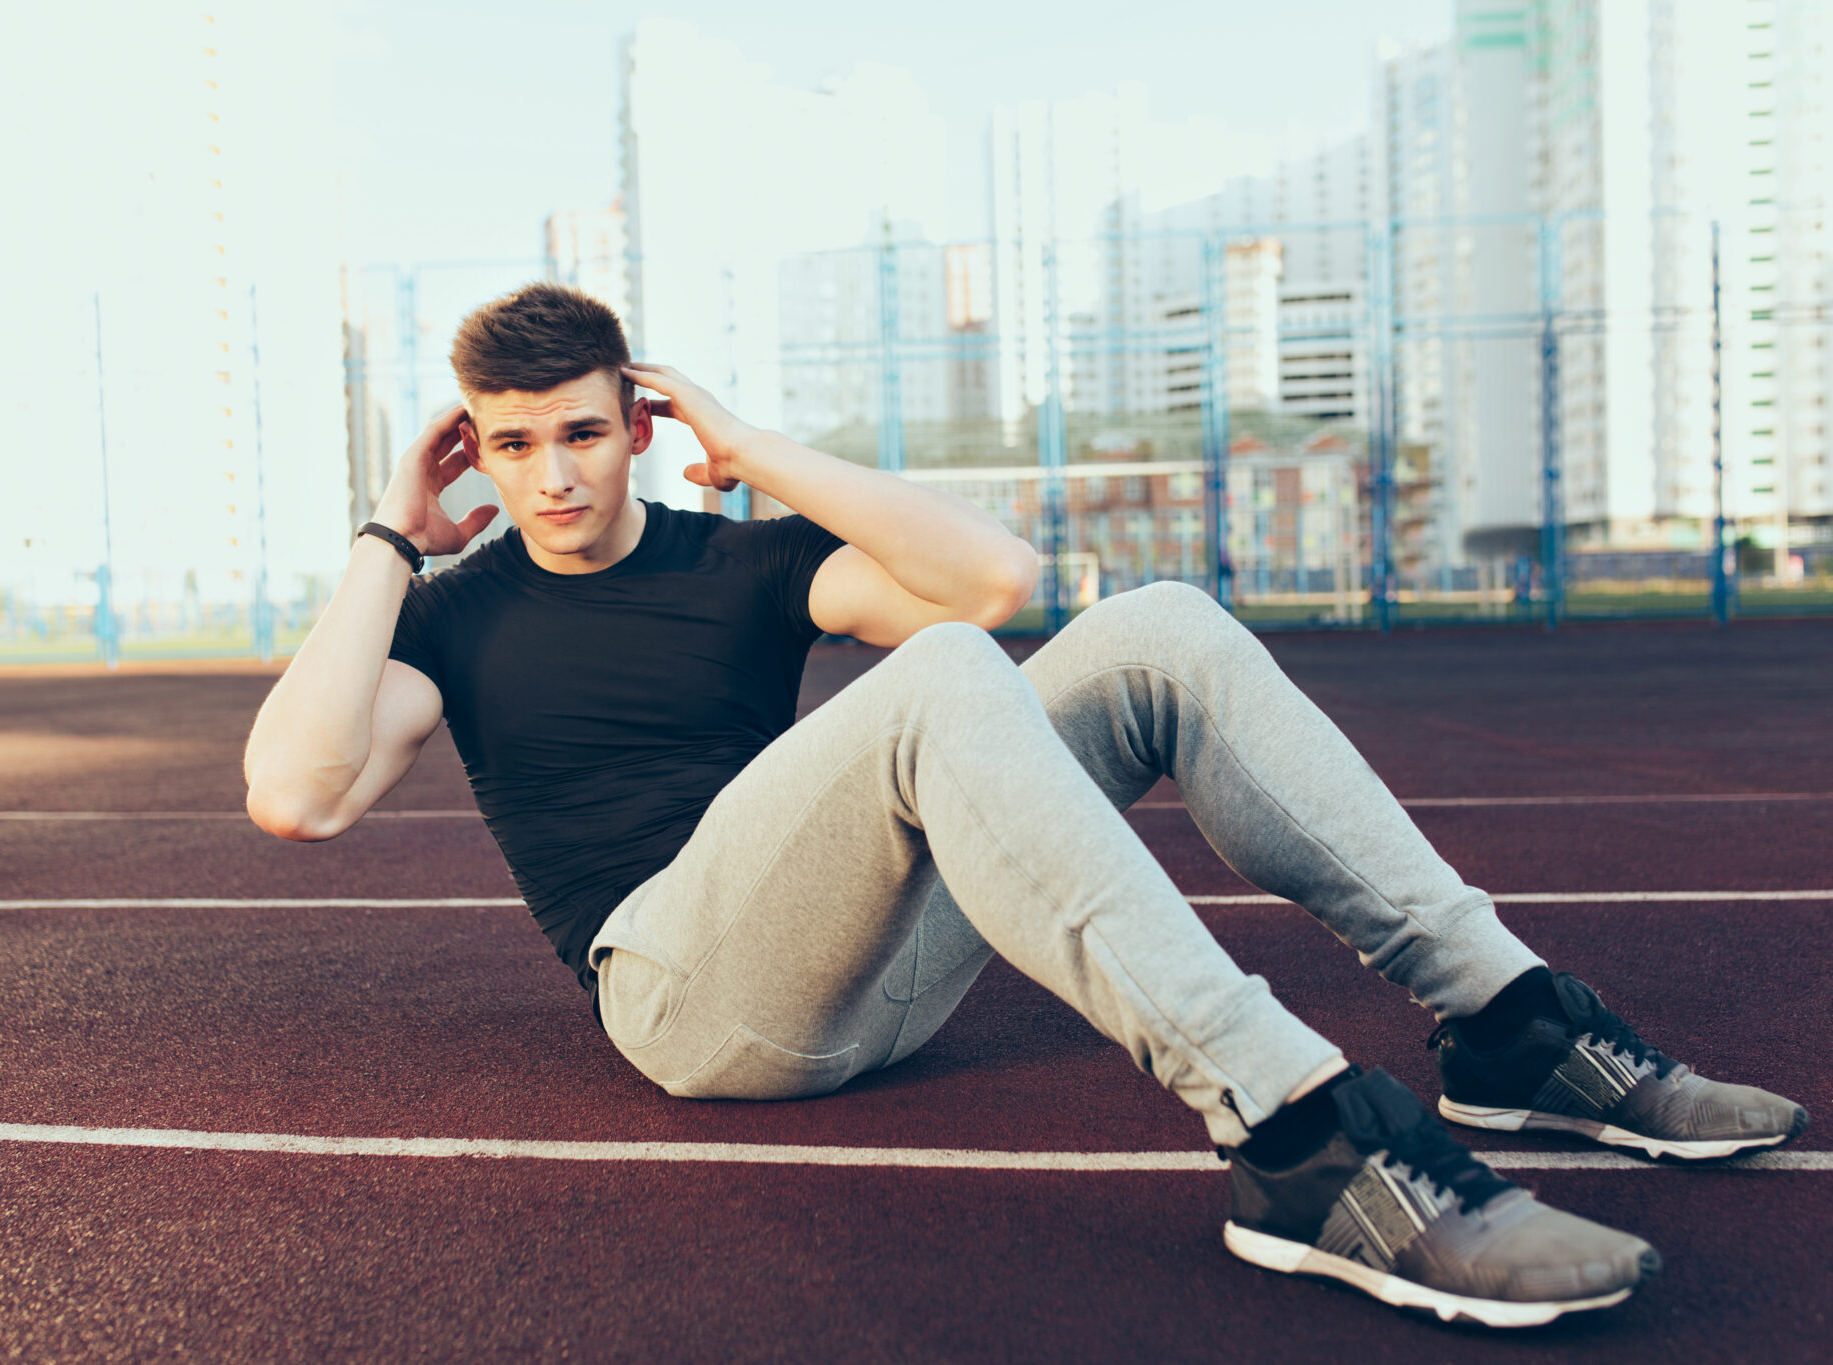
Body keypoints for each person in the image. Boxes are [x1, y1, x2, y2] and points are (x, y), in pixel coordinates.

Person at [243, 283, 1806, 1329]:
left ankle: (1510, 1021)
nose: (549, 476)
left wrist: (761, 454)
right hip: (685, 997)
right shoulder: (452, 615)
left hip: (868, 968)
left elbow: (1000, 584)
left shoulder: (749, 559)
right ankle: (1302, 1139)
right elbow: (298, 795)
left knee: (1162, 628)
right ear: (478, 452)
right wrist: (395, 522)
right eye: (511, 447)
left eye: (580, 432)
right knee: (932, 675)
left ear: (638, 425)